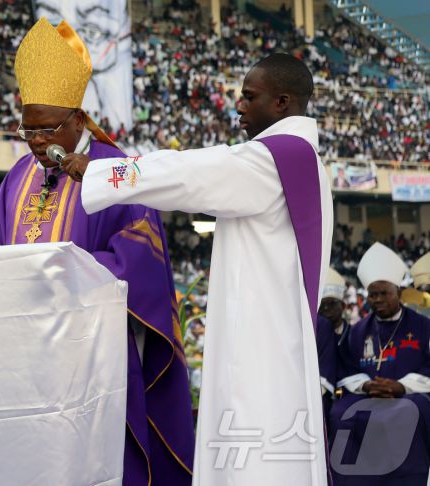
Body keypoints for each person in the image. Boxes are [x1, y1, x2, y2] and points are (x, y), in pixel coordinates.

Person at [62, 52, 333, 485]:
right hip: (270, 341)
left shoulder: (275, 159)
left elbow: (192, 173)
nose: (239, 105)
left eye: (249, 96)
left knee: (256, 459)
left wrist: (104, 172)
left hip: (260, 354)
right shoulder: (302, 160)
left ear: (282, 102)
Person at [0, 17, 194, 485]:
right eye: (27, 130)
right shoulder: (19, 175)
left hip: (93, 354)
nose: (35, 142)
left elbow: (140, 268)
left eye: (47, 130)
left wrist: (59, 272)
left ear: (77, 120)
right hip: (26, 351)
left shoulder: (116, 171)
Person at [331, 242, 430, 485]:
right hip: (368, 398)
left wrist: (401, 387)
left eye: (384, 293)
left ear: (397, 291)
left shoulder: (423, 326)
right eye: (373, 294)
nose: (377, 300)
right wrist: (366, 386)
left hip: (410, 396)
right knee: (339, 411)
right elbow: (345, 368)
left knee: (418, 408)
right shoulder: (357, 331)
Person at [317, 268, 350, 422]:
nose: (326, 309)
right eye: (322, 305)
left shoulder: (354, 333)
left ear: (343, 306)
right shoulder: (316, 334)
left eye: (331, 304)